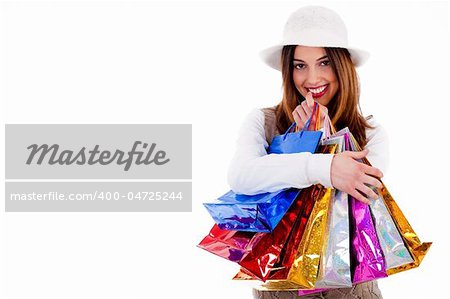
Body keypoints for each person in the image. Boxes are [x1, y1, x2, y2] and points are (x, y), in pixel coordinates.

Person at [227, 5, 388, 299]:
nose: (312, 78)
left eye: (324, 62)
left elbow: (364, 197)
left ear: (343, 66)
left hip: (352, 290)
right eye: (300, 65)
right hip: (280, 288)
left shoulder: (371, 133)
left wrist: (328, 141)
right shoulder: (264, 122)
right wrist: (319, 161)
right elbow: (241, 177)